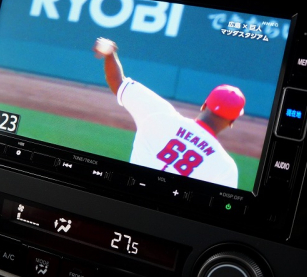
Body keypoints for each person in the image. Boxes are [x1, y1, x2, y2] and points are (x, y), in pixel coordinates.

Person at [93, 37, 244, 188]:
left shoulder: (160, 114)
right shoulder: (226, 168)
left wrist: (110, 54)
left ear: (204, 105)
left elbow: (118, 82)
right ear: (232, 121)